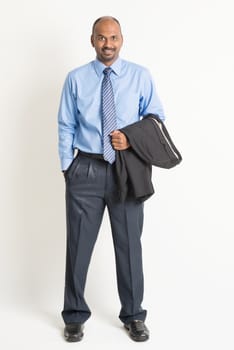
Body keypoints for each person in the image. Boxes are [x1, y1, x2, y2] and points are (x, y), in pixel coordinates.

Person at [58, 16, 165, 342]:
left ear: (122, 40)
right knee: (78, 247)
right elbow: (65, 124)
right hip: (86, 170)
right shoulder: (76, 79)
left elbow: (156, 118)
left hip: (127, 171)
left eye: (114, 38)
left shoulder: (140, 76)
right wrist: (68, 168)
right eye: (102, 38)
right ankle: (74, 315)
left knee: (130, 246)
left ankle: (133, 315)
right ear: (92, 41)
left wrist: (130, 139)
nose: (108, 44)